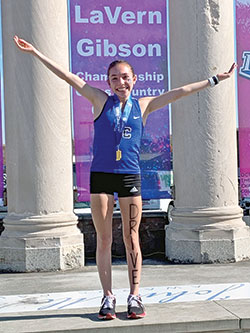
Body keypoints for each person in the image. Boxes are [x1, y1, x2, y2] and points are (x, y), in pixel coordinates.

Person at [13, 35, 237, 320]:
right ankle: (107, 297)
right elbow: (68, 77)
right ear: (108, 82)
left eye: (125, 77)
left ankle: (135, 295)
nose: (121, 82)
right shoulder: (99, 100)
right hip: (102, 178)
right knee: (104, 239)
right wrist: (35, 52)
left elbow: (179, 92)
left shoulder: (143, 105)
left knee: (132, 237)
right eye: (114, 78)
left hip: (129, 176)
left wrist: (214, 80)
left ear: (135, 79)